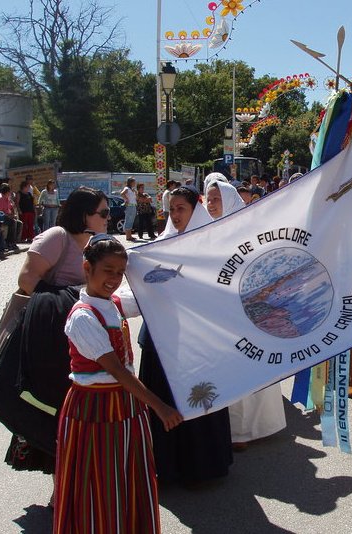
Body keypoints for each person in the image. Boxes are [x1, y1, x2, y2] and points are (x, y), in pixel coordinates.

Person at [55, 234, 182, 533]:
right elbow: (119, 372)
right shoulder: (83, 318)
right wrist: (160, 407)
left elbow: (146, 291)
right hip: (95, 407)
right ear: (87, 268)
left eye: (119, 272)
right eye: (107, 270)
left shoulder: (111, 303)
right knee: (99, 479)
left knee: (126, 476)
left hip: (125, 405)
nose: (113, 279)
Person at [4, 187, 111, 497]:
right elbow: (27, 279)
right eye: (102, 213)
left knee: (68, 409)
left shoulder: (89, 243)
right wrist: (66, 297)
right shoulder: (57, 236)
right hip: (46, 335)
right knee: (52, 405)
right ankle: (60, 492)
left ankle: (66, 486)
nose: (108, 218)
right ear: (83, 214)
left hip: (70, 337)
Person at [138, 185, 234, 486]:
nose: (175, 215)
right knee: (164, 398)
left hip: (198, 338)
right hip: (161, 335)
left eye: (181, 209)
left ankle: (203, 466)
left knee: (200, 399)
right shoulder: (161, 244)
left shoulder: (212, 244)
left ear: (196, 209)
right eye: (172, 210)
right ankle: (166, 466)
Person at [206, 179, 286, 451]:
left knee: (247, 367)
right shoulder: (203, 230)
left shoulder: (244, 229)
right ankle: (232, 428)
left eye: (216, 199)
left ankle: (246, 431)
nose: (211, 204)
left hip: (245, 309)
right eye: (208, 198)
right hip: (218, 311)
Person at [0, 183, 22, 250]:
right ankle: (9, 242)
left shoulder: (7, 198)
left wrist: (13, 214)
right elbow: (0, 213)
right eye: (9, 192)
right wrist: (11, 216)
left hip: (6, 216)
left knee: (19, 223)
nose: (10, 193)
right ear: (7, 192)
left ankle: (13, 242)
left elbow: (10, 207)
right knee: (13, 222)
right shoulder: (0, 199)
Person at [120, 177, 137, 242]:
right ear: (131, 182)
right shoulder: (126, 188)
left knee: (131, 220)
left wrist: (135, 192)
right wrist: (126, 199)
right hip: (130, 206)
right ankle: (128, 236)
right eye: (134, 182)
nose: (135, 183)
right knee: (128, 220)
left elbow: (135, 198)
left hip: (133, 206)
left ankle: (130, 235)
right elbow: (122, 193)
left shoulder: (131, 189)